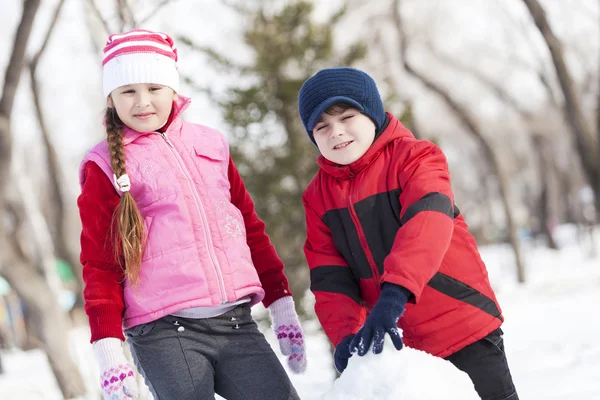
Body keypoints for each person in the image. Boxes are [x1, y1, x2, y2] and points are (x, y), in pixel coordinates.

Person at [78, 29, 305, 400]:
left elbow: (248, 227)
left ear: (172, 89)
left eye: (153, 87)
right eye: (128, 91)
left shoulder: (211, 143)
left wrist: (281, 305)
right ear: (111, 98)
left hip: (236, 324)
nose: (142, 102)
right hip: (164, 332)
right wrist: (109, 352)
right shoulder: (104, 165)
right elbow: (99, 263)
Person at [297, 67, 518, 400]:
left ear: (371, 114)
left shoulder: (416, 158)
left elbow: (426, 223)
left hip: (461, 326)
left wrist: (394, 296)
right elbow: (330, 275)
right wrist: (344, 335)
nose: (336, 132)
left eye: (346, 117)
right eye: (322, 126)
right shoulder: (318, 197)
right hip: (400, 349)